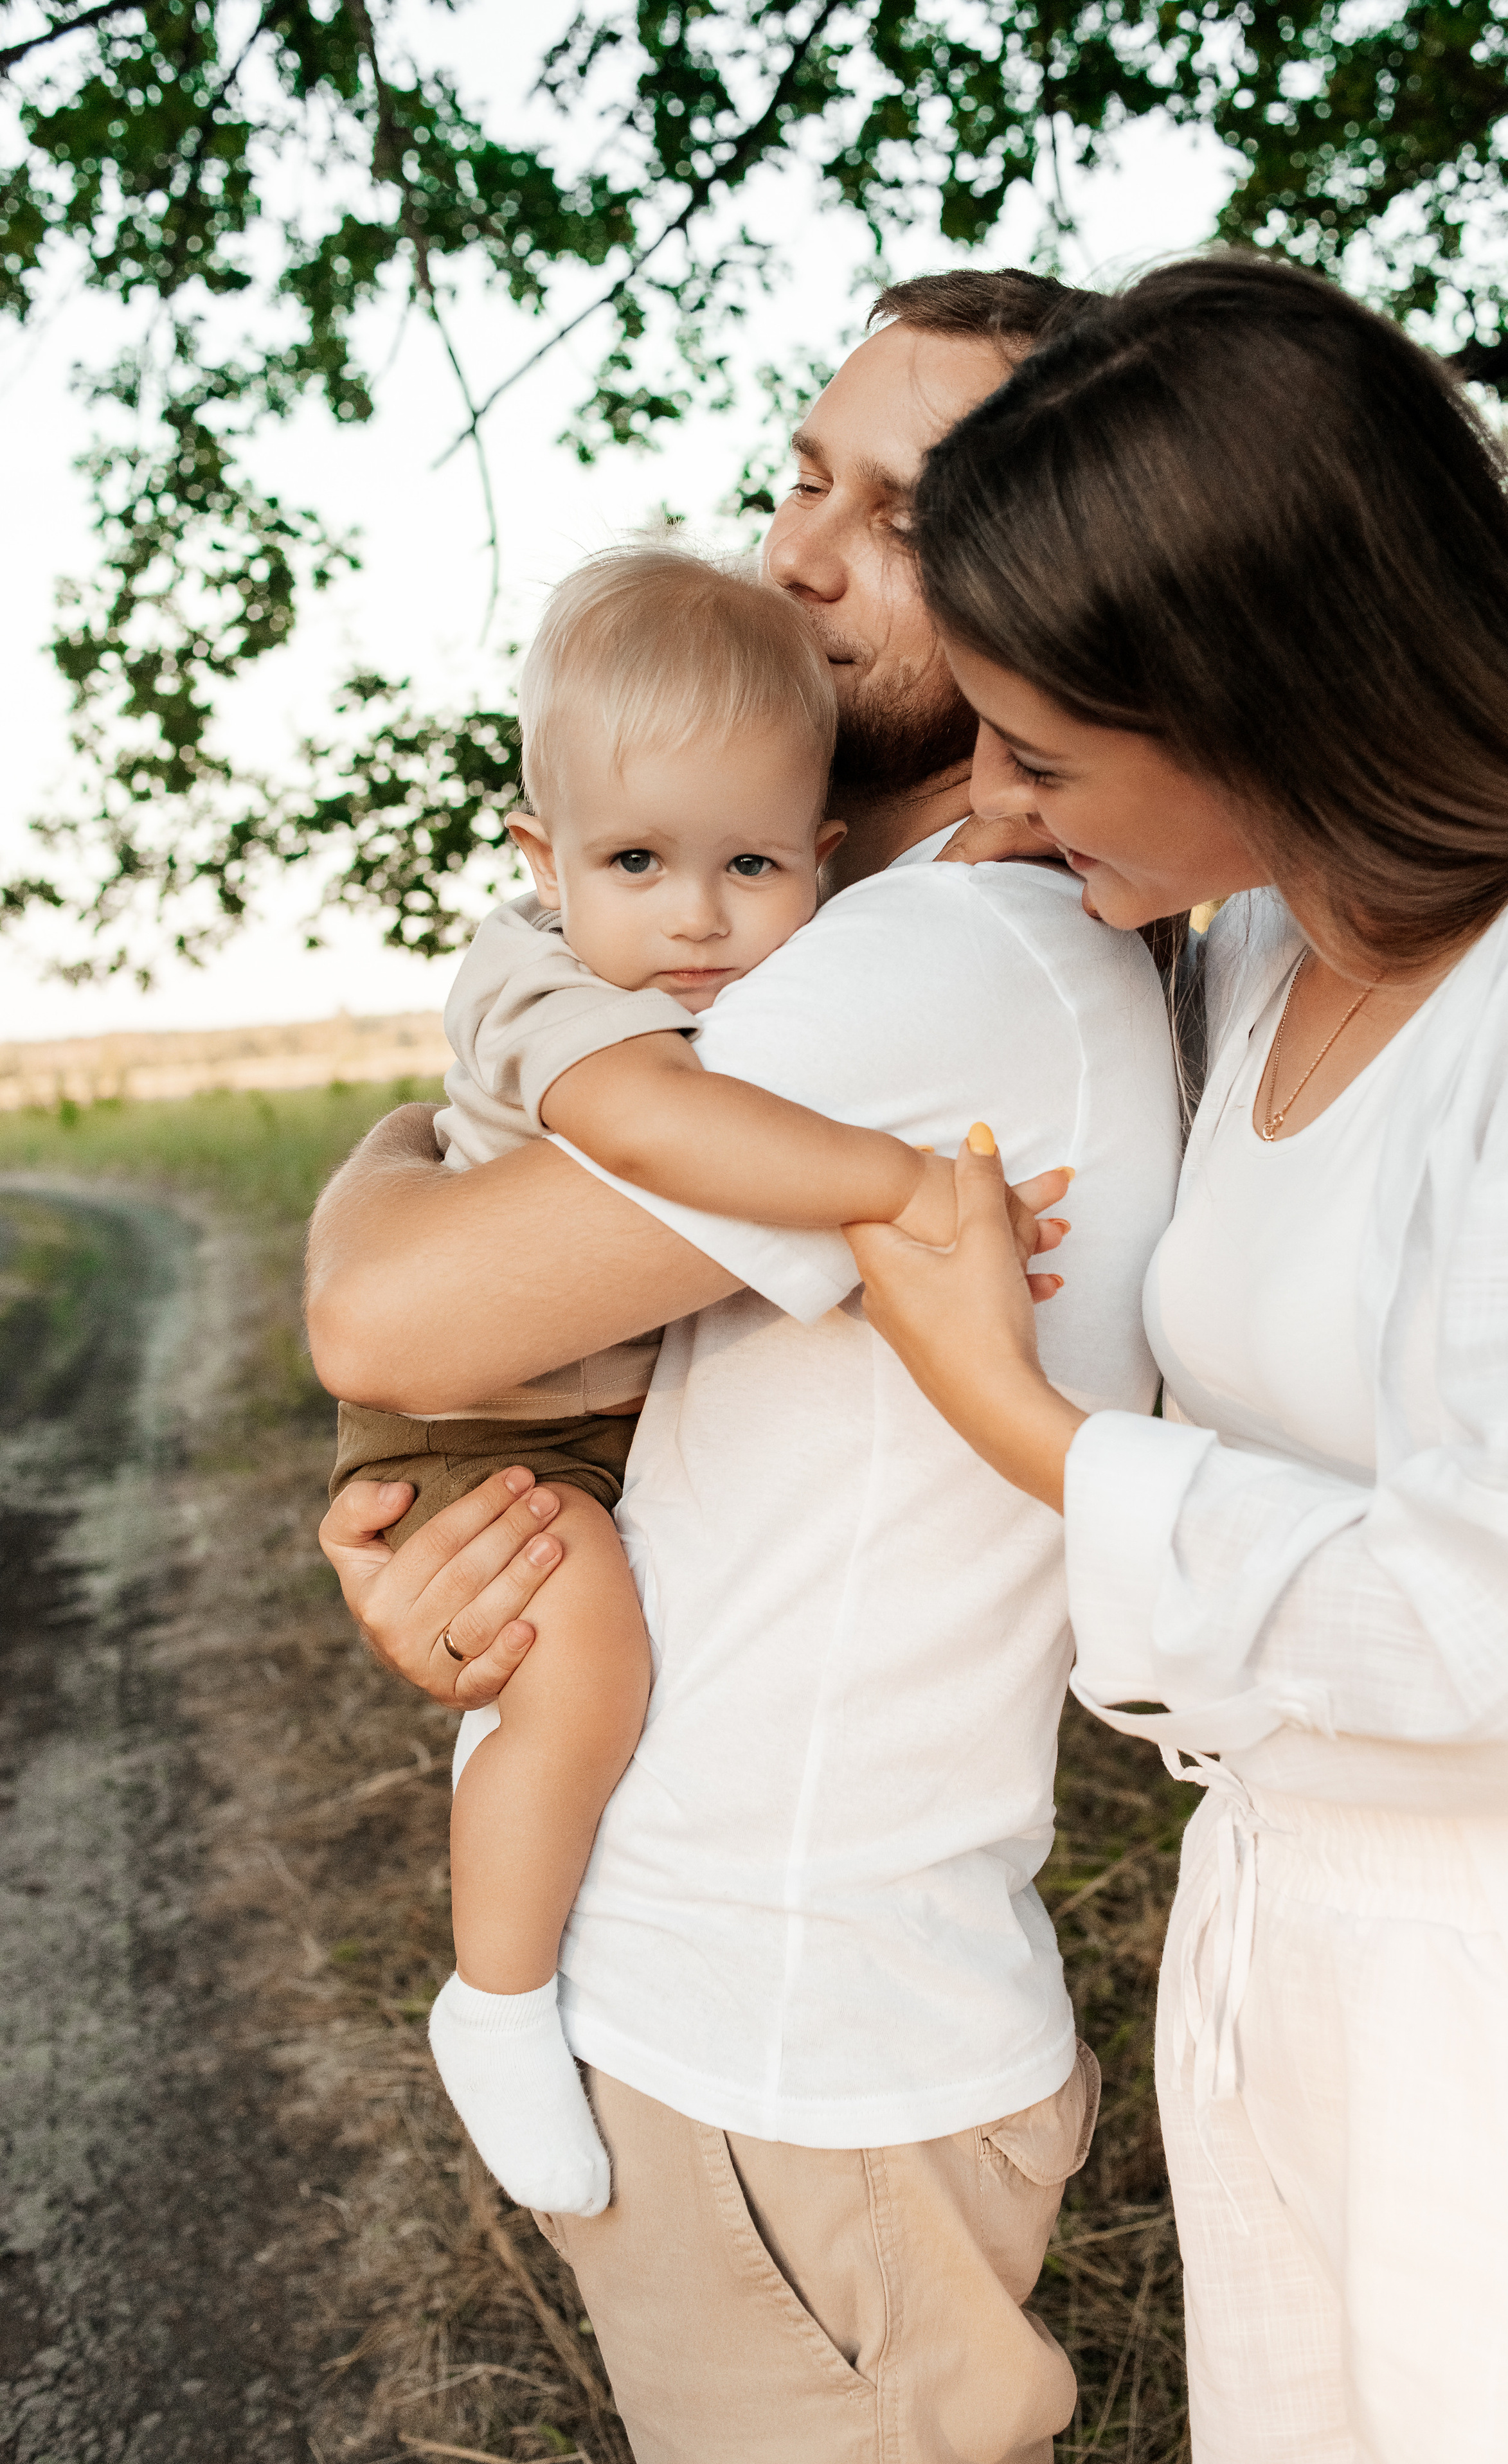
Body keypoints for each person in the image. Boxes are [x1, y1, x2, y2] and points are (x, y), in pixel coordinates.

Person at [308, 271, 1185, 2463]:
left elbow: (382, 1318)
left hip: (785, 2056)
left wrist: (381, 1188)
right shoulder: (813, 934)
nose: (798, 551)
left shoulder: (927, 966)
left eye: (897, 508)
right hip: (772, 2025)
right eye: (805, 473)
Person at [843, 251, 1508, 2463]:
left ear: (1261, 691)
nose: (991, 801)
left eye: (1043, 750)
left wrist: (1027, 1426)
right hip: (1294, 1945)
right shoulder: (1268, 939)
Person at [334, 543, 1022, 2218]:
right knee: (581, 1674)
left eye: (751, 864)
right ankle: (491, 1998)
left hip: (586, 1399)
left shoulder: (792, 969)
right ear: (539, 859)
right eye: (635, 858)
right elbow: (648, 1132)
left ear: (823, 859)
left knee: (572, 1654)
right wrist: (900, 1187)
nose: (698, 916)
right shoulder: (545, 978)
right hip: (489, 1421)